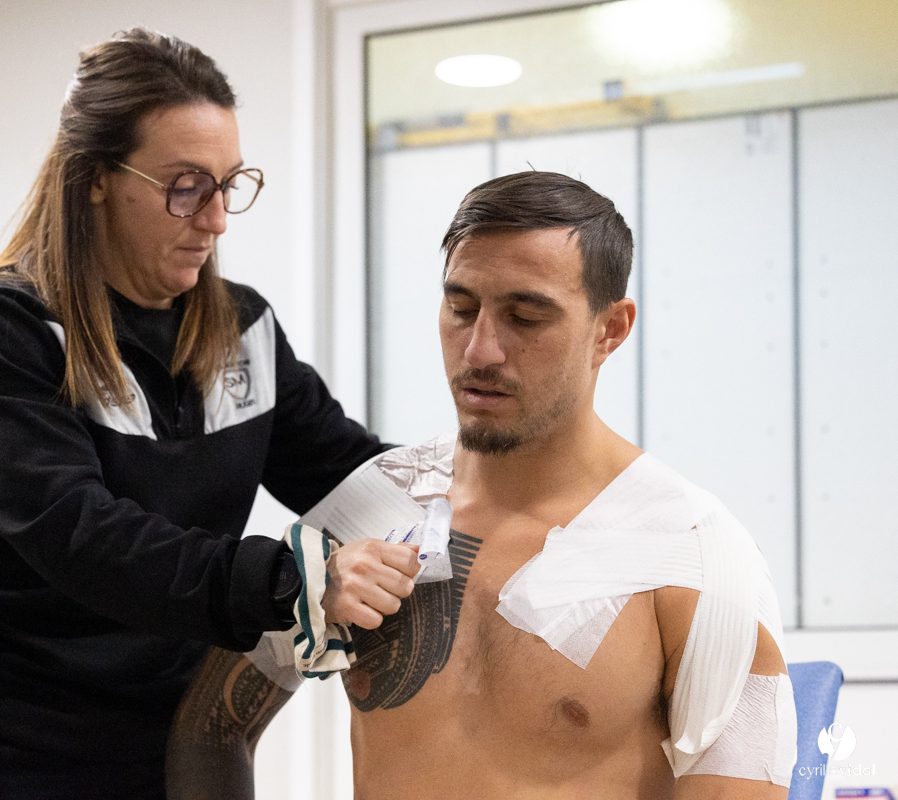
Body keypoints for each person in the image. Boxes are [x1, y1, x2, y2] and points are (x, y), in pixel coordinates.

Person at [0, 29, 420, 800]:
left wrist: (498, 490)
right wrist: (296, 579)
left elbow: (350, 472)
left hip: (160, 742)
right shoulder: (6, 331)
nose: (217, 220)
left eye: (231, 184)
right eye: (186, 186)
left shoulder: (242, 330)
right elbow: (82, 535)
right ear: (93, 178)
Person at [165, 171, 796, 800]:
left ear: (610, 329)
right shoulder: (372, 511)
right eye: (461, 308)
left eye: (526, 317)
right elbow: (209, 729)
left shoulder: (694, 557)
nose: (480, 350)